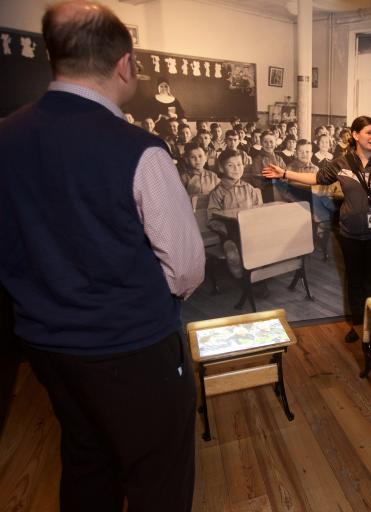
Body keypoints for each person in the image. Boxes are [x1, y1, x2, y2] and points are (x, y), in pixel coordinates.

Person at [0, 2, 205, 511]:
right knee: (159, 475)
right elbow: (185, 268)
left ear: (55, 58)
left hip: (46, 347)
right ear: (125, 65)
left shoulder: (5, 137)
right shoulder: (139, 150)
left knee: (86, 460)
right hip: (133, 350)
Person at [262, 115, 371, 342]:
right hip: (350, 234)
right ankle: (357, 326)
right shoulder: (342, 162)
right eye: (368, 132)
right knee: (354, 281)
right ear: (355, 135)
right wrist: (285, 174)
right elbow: (316, 177)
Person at [208, 149, 263, 278]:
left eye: (239, 164)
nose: (236, 168)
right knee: (233, 252)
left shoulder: (249, 188)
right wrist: (225, 229)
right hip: (230, 233)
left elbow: (258, 209)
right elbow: (212, 217)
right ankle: (243, 278)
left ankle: (258, 275)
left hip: (250, 230)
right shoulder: (218, 192)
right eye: (230, 165)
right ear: (221, 168)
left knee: (264, 241)